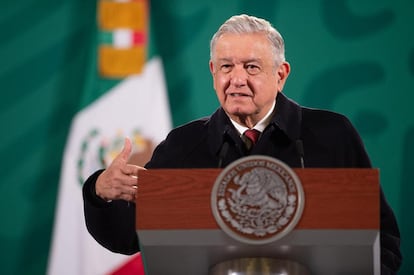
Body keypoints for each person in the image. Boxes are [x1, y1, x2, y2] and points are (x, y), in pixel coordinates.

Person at [83, 14, 402, 274]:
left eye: (251, 66)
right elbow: (127, 236)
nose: (236, 79)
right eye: (226, 66)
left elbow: (382, 239)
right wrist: (100, 190)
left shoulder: (332, 134)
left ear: (281, 74)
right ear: (212, 72)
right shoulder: (184, 145)